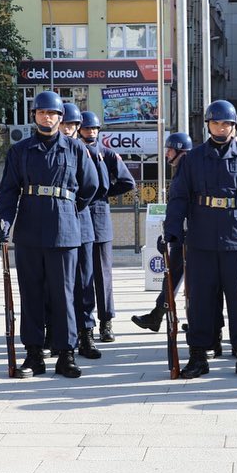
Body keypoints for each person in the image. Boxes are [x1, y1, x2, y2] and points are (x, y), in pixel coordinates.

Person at [163, 100, 237, 379]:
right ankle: (198, 357)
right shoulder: (193, 158)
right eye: (215, 123)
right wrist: (172, 232)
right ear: (208, 126)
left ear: (235, 127)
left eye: (226, 123)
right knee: (200, 300)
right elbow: (178, 197)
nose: (221, 127)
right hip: (201, 237)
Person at [0, 91, 99, 379]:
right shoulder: (20, 151)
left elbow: (90, 186)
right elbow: (8, 192)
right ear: (34, 116)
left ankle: (66, 354)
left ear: (60, 117)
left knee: (64, 294)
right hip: (29, 230)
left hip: (64, 232)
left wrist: (68, 208)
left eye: (52, 113)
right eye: (42, 113)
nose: (47, 117)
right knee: (31, 294)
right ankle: (33, 354)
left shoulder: (76, 149)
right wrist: (4, 222)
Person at [78, 111, 136, 342]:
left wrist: (104, 194)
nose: (90, 132)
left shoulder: (107, 154)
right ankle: (86, 324)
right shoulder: (73, 150)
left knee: (103, 275)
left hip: (99, 215)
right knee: (83, 275)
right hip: (80, 213)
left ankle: (106, 322)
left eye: (94, 129)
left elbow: (127, 182)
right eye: (86, 128)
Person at [59, 102, 108, 360]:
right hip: (56, 227)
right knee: (58, 284)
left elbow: (98, 185)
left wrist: (73, 205)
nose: (67, 129)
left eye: (72, 125)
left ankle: (86, 333)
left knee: (84, 282)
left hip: (81, 222)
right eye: (65, 124)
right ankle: (58, 333)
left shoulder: (84, 152)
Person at [132, 132, 193, 332]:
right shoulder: (184, 169)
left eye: (170, 150)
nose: (167, 154)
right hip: (182, 232)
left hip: (187, 234)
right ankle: (158, 316)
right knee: (175, 277)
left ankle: (163, 316)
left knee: (186, 279)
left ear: (180, 151)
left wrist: (171, 234)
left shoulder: (187, 170)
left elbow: (181, 204)